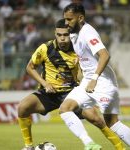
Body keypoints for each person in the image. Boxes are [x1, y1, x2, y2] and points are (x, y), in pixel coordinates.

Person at [59, 3, 130, 150]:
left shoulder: (88, 33)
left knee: (113, 123)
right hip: (88, 81)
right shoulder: (73, 33)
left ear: (80, 18)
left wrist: (94, 79)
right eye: (65, 19)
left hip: (103, 81)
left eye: (69, 19)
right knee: (65, 108)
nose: (66, 23)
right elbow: (84, 56)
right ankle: (89, 143)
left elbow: (105, 55)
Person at [18, 19, 83, 150]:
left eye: (66, 35)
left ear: (71, 34)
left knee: (95, 117)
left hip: (71, 94)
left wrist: (81, 64)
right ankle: (28, 146)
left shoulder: (79, 48)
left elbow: (82, 77)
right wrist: (45, 83)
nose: (63, 38)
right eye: (60, 35)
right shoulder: (45, 48)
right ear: (55, 34)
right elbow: (30, 68)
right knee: (23, 107)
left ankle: (117, 146)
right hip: (49, 93)